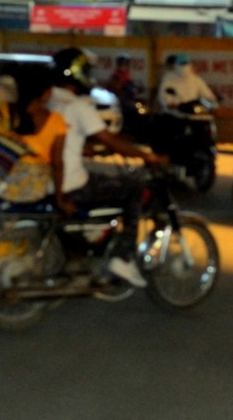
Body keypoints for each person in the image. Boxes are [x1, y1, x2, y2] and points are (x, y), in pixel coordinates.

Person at [48, 47, 168, 282]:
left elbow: (56, 139)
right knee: (133, 186)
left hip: (49, 178)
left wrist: (83, 148)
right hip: (70, 182)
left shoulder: (47, 99)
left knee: (99, 177)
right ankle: (124, 259)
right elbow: (111, 140)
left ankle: (81, 251)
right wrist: (147, 156)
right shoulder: (77, 106)